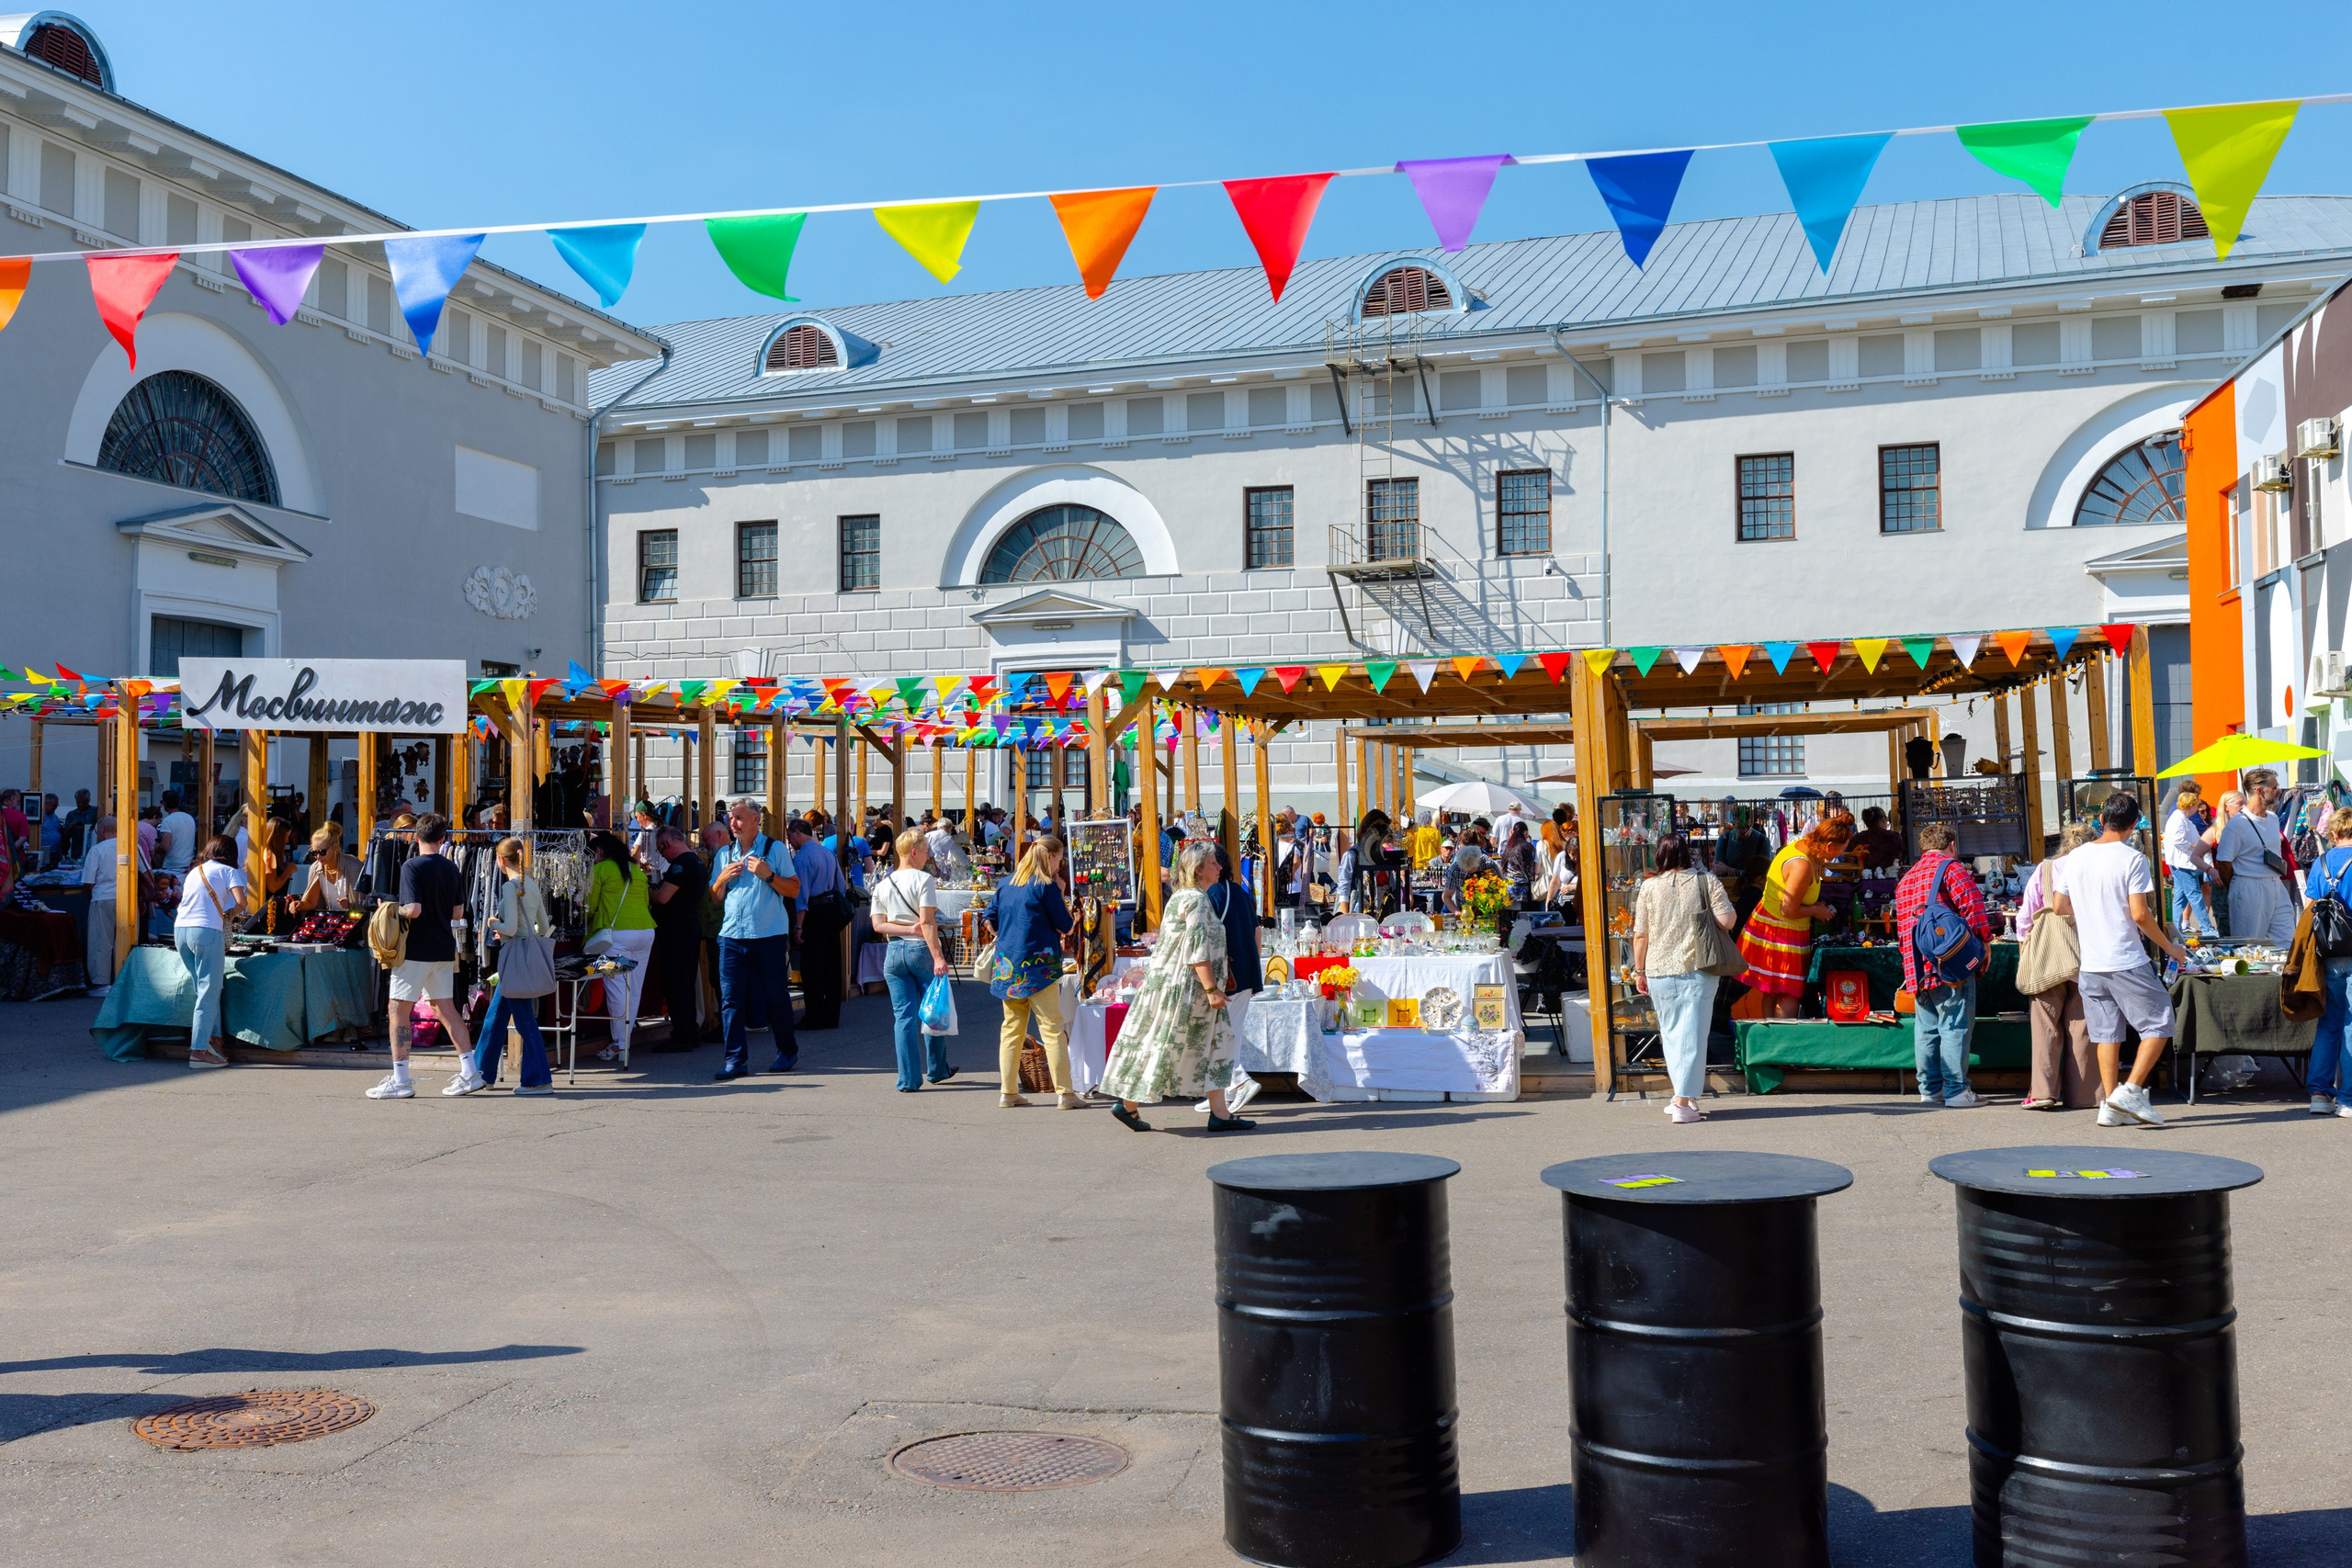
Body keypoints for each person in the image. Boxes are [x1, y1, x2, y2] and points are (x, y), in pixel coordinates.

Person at [2052, 791, 2190, 1128]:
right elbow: (2140, 914)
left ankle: (2110, 1104)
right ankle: (2130, 1091)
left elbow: (2059, 906)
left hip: (2092, 961)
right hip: (2124, 956)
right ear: (2134, 825)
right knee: (2160, 1022)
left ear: (2101, 820)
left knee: (2106, 1035)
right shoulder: (2132, 858)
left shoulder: (2076, 857)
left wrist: (2091, 912)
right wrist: (2170, 947)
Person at [1100, 841, 1252, 1133]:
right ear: (1199, 869)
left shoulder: (1183, 897)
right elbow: (1198, 948)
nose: (1220, 867)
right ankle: (1128, 1104)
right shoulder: (1196, 901)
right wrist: (1212, 989)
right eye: (1214, 863)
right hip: (1190, 989)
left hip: (1177, 985)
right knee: (1167, 1044)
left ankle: (1219, 1113)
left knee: (1211, 1043)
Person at [1632, 832, 1738, 1122]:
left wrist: (1639, 971)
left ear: (1659, 856)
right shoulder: (1707, 882)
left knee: (1672, 1035)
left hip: (1659, 969)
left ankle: (1683, 1097)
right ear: (1687, 854)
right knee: (1693, 1036)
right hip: (1698, 968)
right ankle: (1682, 1103)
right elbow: (1727, 921)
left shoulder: (1649, 886)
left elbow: (1640, 935)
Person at [369, 813, 475, 1100]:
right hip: (443, 948)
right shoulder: (452, 867)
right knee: (446, 1009)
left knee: (398, 1010)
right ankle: (470, 1071)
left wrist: (391, 908)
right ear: (443, 839)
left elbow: (413, 910)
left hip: (415, 951)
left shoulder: (411, 866)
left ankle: (401, 1079)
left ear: (416, 837)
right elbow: (458, 912)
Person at [1894, 822, 1991, 1107]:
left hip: (1917, 965)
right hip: (1950, 963)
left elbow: (1902, 930)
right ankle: (1957, 1091)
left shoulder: (1906, 879)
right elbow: (1973, 907)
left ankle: (1930, 1090)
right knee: (1955, 1025)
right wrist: (1985, 943)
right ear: (1952, 846)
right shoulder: (1951, 868)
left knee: (1926, 1028)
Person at [708, 801, 800, 1081]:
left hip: (768, 935)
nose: (733, 823)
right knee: (731, 1001)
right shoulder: (725, 853)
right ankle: (735, 1060)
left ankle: (787, 1052)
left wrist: (768, 875)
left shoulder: (774, 849)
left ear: (754, 820)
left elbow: (794, 889)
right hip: (732, 937)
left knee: (776, 997)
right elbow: (715, 897)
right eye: (730, 818)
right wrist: (721, 879)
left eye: (738, 818)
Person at [989, 836, 1080, 1110]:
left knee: (1011, 1030)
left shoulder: (1006, 882)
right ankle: (1065, 1094)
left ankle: (1008, 1092)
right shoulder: (1046, 885)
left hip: (1008, 966)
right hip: (1039, 967)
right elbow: (1066, 925)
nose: (1060, 865)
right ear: (1050, 857)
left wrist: (1010, 936)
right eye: (1060, 858)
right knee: (1052, 1029)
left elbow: (989, 920)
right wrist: (1061, 893)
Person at [1736, 811, 1855, 1020]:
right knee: (1789, 992)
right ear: (1829, 846)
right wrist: (1815, 910)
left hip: (1779, 927)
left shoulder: (1808, 849)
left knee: (1773, 989)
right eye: (1842, 848)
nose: (1842, 853)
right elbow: (1788, 909)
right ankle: (1782, 1036)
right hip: (1780, 930)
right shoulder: (1802, 865)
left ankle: (1772, 1034)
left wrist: (1814, 905)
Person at [2016, 821, 2101, 1110]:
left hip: (2048, 955)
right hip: (2088, 954)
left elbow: (2024, 919)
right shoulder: (2095, 870)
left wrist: (2026, 953)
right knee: (2082, 1027)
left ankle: (2043, 1092)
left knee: (2045, 1026)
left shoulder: (2046, 869)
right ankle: (2085, 1095)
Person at [466, 836, 554, 1096]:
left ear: (501, 860)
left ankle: (538, 1080)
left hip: (513, 959)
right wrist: (514, 930)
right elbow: (543, 927)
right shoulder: (532, 885)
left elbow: (512, 928)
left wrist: (494, 923)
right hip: (523, 959)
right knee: (496, 1017)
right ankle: (483, 1073)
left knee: (522, 1019)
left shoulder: (509, 887)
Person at [872, 826, 954, 1092]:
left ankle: (908, 1079)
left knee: (903, 1017)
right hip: (920, 950)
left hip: (894, 951)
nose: (929, 856)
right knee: (934, 1011)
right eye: (927, 851)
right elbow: (927, 922)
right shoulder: (923, 880)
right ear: (915, 852)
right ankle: (937, 1069)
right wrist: (938, 956)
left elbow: (878, 925)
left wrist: (906, 929)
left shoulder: (883, 884)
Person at [579, 829, 656, 1067]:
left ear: (600, 851)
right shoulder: (636, 870)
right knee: (634, 989)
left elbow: (589, 907)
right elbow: (645, 902)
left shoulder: (600, 869)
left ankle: (619, 1044)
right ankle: (624, 1042)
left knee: (617, 990)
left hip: (616, 937)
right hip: (645, 932)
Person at [174, 834, 247, 1068]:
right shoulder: (230, 871)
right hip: (206, 931)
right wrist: (231, 914)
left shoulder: (195, 871)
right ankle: (199, 1050)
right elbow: (242, 902)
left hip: (181, 930)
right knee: (209, 991)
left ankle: (214, 1040)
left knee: (203, 989)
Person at [2301, 811, 2352, 1117]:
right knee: (2351, 1024)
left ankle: (2320, 1093)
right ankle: (2348, 1098)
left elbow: (2309, 911)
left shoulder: (2321, 864)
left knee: (2329, 1022)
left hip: (2328, 952)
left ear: (2334, 835)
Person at [646, 825, 708, 1052]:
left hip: (677, 931)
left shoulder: (681, 864)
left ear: (667, 844)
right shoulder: (696, 861)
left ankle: (682, 1035)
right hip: (687, 928)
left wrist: (644, 891)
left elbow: (663, 897)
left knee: (676, 983)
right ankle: (689, 1032)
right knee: (686, 982)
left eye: (660, 850)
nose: (662, 855)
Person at [2216, 772, 2293, 943]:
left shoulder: (2273, 818)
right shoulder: (2237, 824)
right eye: (2274, 788)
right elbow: (2223, 863)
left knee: (2286, 940)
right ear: (2259, 790)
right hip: (2249, 885)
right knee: (2250, 943)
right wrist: (2237, 887)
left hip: (2275, 883)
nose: (2279, 791)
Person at [789, 818, 849, 1029]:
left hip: (814, 912)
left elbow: (801, 896)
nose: (790, 841)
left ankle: (814, 1016)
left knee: (812, 966)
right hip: (831, 909)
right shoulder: (827, 853)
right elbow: (841, 886)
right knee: (832, 964)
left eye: (790, 836)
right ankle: (832, 1016)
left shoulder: (801, 859)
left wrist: (798, 926)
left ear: (798, 832)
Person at [78, 816, 146, 995]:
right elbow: (145, 873)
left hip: (103, 896)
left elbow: (88, 881)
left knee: (101, 941)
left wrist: (92, 893)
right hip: (128, 898)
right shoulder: (133, 847)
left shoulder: (97, 849)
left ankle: (101, 983)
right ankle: (124, 978)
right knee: (127, 940)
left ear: (101, 830)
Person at [2162, 784, 2220, 941]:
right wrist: (2197, 847)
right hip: (2183, 863)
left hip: (2180, 863)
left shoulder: (2180, 817)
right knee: (2195, 896)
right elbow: (2179, 841)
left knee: (2181, 898)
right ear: (2191, 806)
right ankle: (2206, 928)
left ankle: (2176, 929)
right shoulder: (2179, 818)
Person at [297, 826, 356, 912]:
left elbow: (364, 901)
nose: (318, 856)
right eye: (314, 853)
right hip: (329, 918)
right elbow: (311, 903)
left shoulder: (353, 865)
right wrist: (299, 904)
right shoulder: (315, 868)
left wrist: (350, 904)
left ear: (335, 846)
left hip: (355, 918)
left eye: (322, 852)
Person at [254, 815, 297, 935]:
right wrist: (287, 871)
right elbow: (272, 886)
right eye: (286, 836)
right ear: (278, 837)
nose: (287, 841)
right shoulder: (269, 855)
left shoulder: (265, 852)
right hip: (270, 912)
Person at [156, 789, 198, 881]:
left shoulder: (167, 821)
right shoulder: (190, 818)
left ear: (164, 803)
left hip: (171, 866)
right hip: (188, 865)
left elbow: (165, 846)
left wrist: (156, 848)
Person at [1849, 807, 1905, 872]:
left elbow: (1849, 866)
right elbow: (1900, 858)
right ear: (1883, 820)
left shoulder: (1856, 838)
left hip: (1863, 876)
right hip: (1891, 876)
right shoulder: (1894, 837)